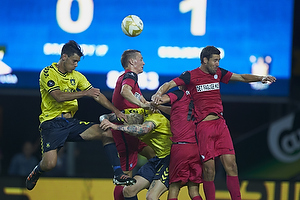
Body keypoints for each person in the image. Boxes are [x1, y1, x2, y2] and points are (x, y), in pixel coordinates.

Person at [151, 46, 277, 200]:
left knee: (232, 165)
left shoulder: (218, 73)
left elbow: (242, 77)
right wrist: (158, 94)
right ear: (205, 60)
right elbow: (169, 84)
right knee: (209, 170)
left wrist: (261, 78)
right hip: (203, 128)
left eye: (219, 60)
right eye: (215, 60)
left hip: (220, 125)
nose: (217, 63)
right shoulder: (190, 76)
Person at [25, 40, 136, 190]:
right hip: (52, 124)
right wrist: (85, 93)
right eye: (74, 61)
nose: (76, 64)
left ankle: (118, 174)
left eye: (78, 61)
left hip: (71, 123)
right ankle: (36, 171)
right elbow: (58, 96)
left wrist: (116, 111)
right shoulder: (48, 72)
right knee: (49, 164)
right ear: (64, 57)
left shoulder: (77, 76)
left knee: (107, 132)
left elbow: (96, 94)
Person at [100, 108, 172, 200]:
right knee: (128, 190)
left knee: (151, 197)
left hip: (170, 160)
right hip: (157, 159)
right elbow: (105, 116)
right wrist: (104, 120)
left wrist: (116, 127)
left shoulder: (154, 117)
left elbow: (144, 129)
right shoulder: (135, 113)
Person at [112, 50, 156, 199]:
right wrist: (141, 105)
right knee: (125, 177)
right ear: (132, 62)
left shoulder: (134, 82)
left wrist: (151, 104)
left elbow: (143, 102)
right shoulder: (130, 75)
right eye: (141, 59)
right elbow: (125, 91)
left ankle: (149, 184)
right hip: (126, 131)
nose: (143, 62)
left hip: (136, 133)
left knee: (156, 156)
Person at [155, 86, 203, 200]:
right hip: (195, 148)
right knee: (194, 190)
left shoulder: (179, 93)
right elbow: (175, 111)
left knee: (174, 188)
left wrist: (152, 101)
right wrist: (159, 107)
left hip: (180, 148)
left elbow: (161, 99)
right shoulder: (196, 99)